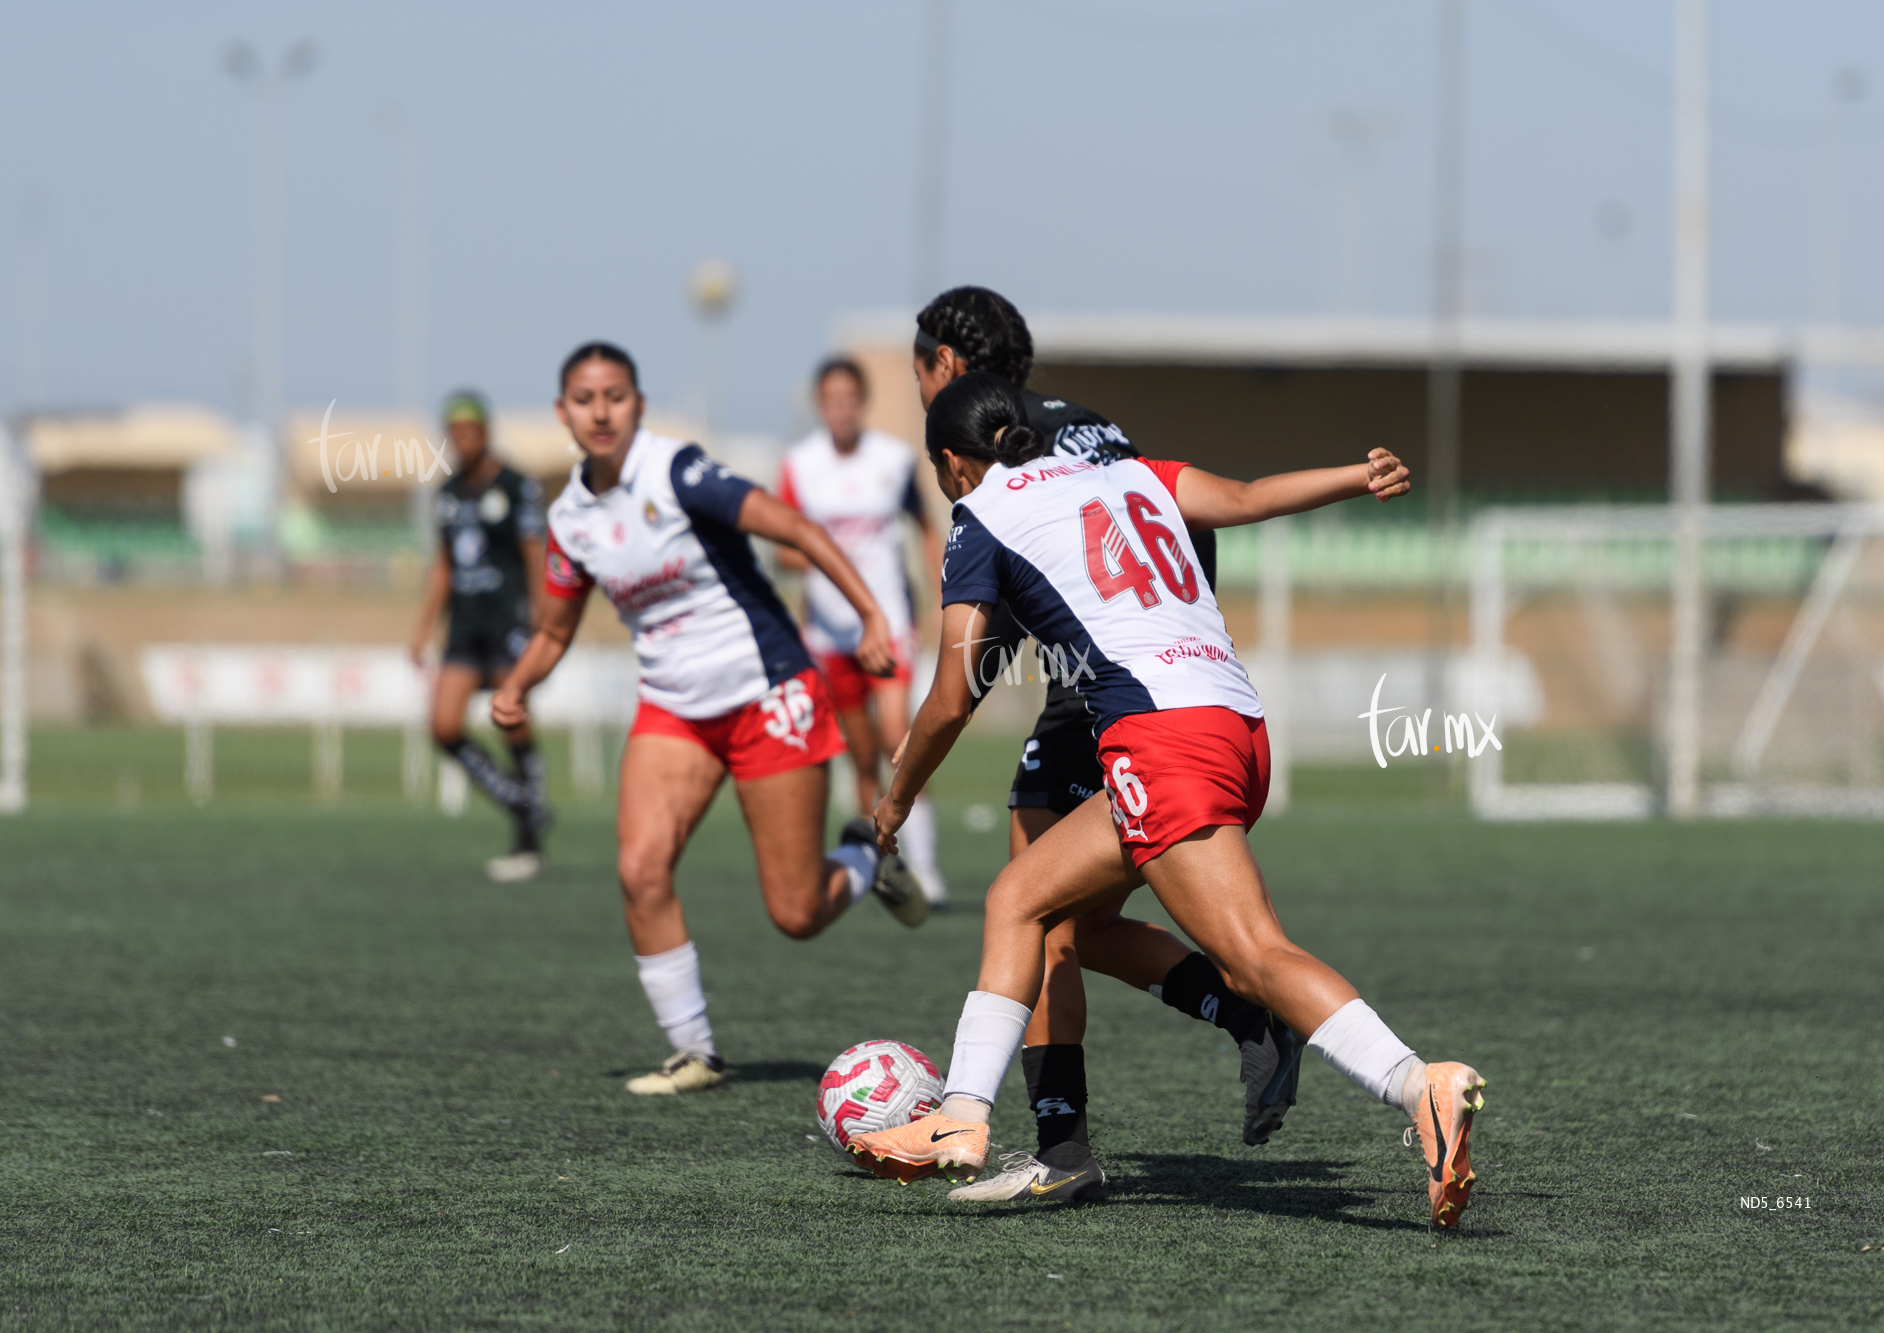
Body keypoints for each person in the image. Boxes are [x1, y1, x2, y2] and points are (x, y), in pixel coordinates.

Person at [851, 372, 1486, 1231]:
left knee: (1257, 954)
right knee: (1021, 897)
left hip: (1163, 739)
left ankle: (1421, 1083)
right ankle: (963, 1113)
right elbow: (1248, 496)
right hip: (1239, 728)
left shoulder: (982, 512)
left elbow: (953, 694)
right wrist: (1354, 474)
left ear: (954, 462)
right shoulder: (1128, 468)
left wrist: (893, 801)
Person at [903, 287, 1301, 1204]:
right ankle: (1242, 1013)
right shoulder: (1094, 426)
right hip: (1164, 684)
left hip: (1108, 700)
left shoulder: (997, 463)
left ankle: (1063, 1147)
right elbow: (1183, 531)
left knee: (1037, 917)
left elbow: (994, 613)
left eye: (921, 370)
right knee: (1073, 920)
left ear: (949, 368)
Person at [489, 342, 929, 1097]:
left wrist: (869, 614)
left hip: (768, 693)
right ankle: (695, 1051)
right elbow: (556, 630)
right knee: (639, 867)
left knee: (795, 913)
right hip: (674, 709)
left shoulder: (679, 471)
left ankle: (863, 856)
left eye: (616, 395)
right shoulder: (567, 518)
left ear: (640, 404)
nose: (600, 411)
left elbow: (794, 527)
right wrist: (519, 684)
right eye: (585, 398)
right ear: (562, 412)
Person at [776, 357, 949, 907]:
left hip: (890, 623)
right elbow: (781, 544)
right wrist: (822, 559)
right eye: (831, 399)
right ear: (819, 404)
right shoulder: (799, 465)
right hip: (829, 633)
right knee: (861, 753)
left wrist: (944, 592)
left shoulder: (894, 461)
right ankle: (875, 864)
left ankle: (924, 866)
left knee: (903, 738)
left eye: (850, 397)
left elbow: (926, 527)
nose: (841, 408)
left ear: (863, 401)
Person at [406, 390, 552, 883]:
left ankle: (528, 834)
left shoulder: (515, 486)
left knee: (512, 721)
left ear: (486, 432)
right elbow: (443, 567)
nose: (463, 440)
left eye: (471, 431)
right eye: (455, 432)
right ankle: (521, 801)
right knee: (443, 726)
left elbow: (535, 552)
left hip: (507, 620)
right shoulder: (447, 494)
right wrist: (422, 628)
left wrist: (541, 612)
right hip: (465, 626)